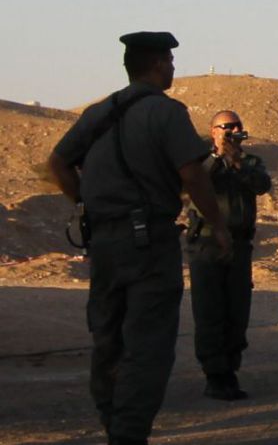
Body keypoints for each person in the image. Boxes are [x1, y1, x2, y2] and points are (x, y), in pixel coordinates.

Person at [47, 32, 231, 445]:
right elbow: (192, 174)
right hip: (148, 242)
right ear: (157, 64)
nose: (172, 67)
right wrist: (217, 224)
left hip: (104, 242)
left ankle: (113, 423)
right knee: (147, 344)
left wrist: (85, 203)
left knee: (108, 339)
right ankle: (128, 435)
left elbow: (58, 162)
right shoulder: (166, 113)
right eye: (169, 60)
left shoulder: (98, 113)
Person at [186, 110, 272, 401]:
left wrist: (235, 161)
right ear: (213, 131)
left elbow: (262, 185)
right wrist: (217, 157)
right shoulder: (199, 162)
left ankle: (230, 371)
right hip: (207, 245)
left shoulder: (249, 162)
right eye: (226, 126)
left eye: (237, 125)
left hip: (238, 245)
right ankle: (214, 374)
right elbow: (195, 184)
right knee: (209, 311)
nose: (233, 130)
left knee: (237, 311)